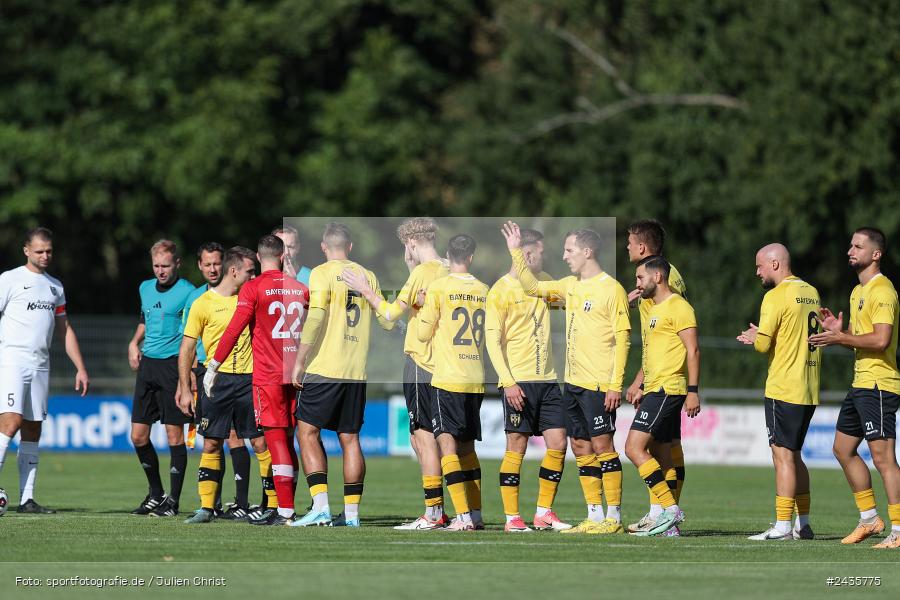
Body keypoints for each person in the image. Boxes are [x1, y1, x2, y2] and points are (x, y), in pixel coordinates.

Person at [503, 221, 630, 535]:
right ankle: (594, 516)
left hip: (599, 384)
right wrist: (516, 252)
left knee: (603, 446)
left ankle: (613, 517)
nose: (563, 256)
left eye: (569, 250)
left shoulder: (611, 288)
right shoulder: (570, 285)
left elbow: (623, 340)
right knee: (580, 446)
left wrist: (615, 384)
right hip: (572, 384)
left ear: (587, 252)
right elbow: (532, 288)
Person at [340, 217, 451, 530]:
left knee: (422, 438)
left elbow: (389, 315)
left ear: (411, 243)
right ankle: (462, 512)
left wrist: (364, 289)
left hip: (421, 363)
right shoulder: (448, 267)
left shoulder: (422, 273)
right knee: (433, 439)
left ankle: (433, 513)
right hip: (446, 364)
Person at [290, 223, 393, 528]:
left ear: (324, 247)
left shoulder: (321, 273)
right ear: (350, 247)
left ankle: (321, 507)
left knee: (306, 432)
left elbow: (316, 317)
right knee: (350, 439)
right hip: (355, 371)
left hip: (325, 367)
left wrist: (300, 360)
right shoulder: (367, 275)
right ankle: (351, 515)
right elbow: (387, 321)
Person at [205, 234, 309, 526]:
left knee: (277, 443)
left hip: (269, 377)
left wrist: (213, 366)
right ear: (283, 256)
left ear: (260, 257)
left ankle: (285, 511)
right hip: (297, 376)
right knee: (290, 442)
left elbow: (234, 329)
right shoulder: (301, 288)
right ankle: (293, 506)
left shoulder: (253, 287)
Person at [809, 227, 900, 549]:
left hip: (878, 384)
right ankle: (869, 519)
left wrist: (842, 337)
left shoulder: (882, 290)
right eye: (850, 245)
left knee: (883, 458)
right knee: (842, 449)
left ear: (876, 254)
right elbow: (858, 341)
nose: (850, 250)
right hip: (861, 383)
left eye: (858, 246)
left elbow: (881, 339)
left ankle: (899, 530)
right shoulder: (857, 291)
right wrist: (840, 332)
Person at [177, 247, 276, 523]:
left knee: (260, 442)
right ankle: (206, 508)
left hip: (250, 379)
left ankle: (273, 506)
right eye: (250, 271)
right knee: (211, 443)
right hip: (215, 381)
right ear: (234, 271)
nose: (254, 276)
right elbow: (186, 348)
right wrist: (185, 388)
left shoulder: (253, 298)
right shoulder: (202, 304)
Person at [484, 228, 572, 533]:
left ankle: (544, 512)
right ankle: (512, 518)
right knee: (516, 446)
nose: (545, 257)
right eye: (541, 252)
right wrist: (507, 382)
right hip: (518, 381)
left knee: (559, 442)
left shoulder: (543, 282)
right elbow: (492, 341)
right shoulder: (500, 290)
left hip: (548, 381)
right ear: (527, 253)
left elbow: (574, 303)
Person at [0, 227, 90, 513]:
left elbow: (64, 329)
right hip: (12, 361)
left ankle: (26, 499)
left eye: (49, 251)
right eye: (39, 251)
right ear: (26, 250)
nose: (45, 255)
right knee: (11, 422)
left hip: (40, 365)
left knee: (32, 428)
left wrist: (80, 367)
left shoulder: (55, 287)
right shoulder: (9, 279)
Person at [737, 244, 820, 541]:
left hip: (784, 386)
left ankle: (783, 526)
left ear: (774, 264)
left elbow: (762, 345)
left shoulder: (774, 295)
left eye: (759, 266)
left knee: (782, 455)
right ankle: (803, 524)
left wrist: (754, 335)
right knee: (794, 455)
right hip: (809, 386)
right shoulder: (811, 291)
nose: (757, 272)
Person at [416, 234, 488, 532]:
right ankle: (476, 514)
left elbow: (422, 334)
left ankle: (462, 517)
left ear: (448, 255)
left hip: (448, 378)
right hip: (476, 378)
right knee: (467, 449)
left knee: (447, 446)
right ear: (471, 257)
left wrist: (422, 305)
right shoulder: (484, 289)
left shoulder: (440, 287)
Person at [624, 256, 699, 537]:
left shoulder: (679, 307)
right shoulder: (653, 308)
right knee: (661, 454)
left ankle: (670, 509)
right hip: (655, 388)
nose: (637, 284)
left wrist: (693, 391)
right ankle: (668, 526)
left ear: (657, 277)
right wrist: (641, 385)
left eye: (640, 278)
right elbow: (654, 354)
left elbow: (693, 350)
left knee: (633, 448)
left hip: (668, 389)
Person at [128, 240, 195, 516]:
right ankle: (156, 494)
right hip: (148, 366)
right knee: (138, 436)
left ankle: (173, 502)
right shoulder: (144, 287)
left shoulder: (189, 292)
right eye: (156, 266)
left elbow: (193, 334)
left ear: (177, 263)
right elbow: (145, 319)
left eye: (165, 265)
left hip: (172, 367)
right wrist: (134, 342)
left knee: (173, 435)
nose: (160, 271)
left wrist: (188, 374)